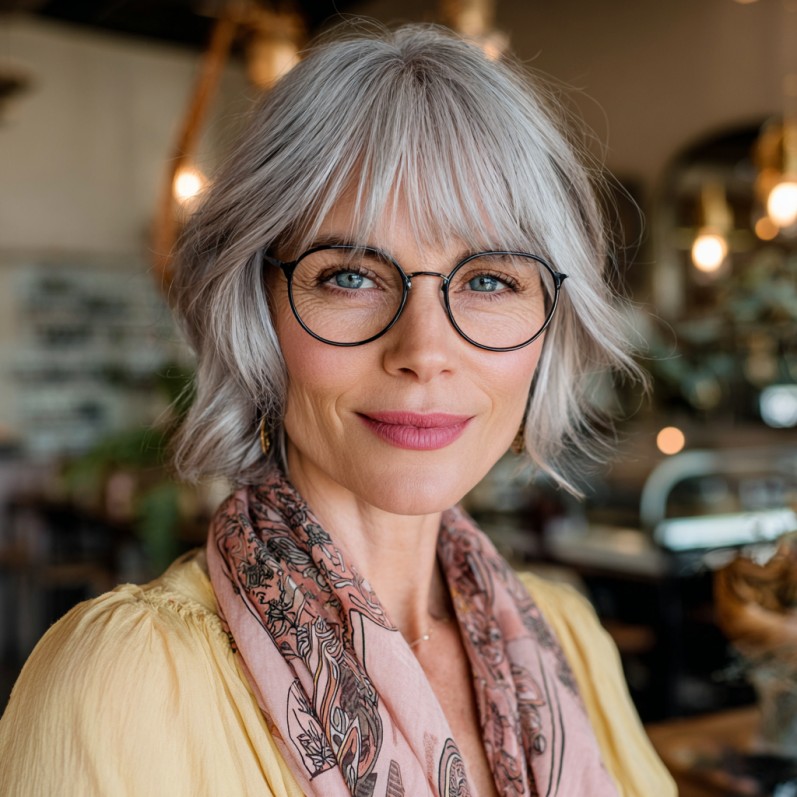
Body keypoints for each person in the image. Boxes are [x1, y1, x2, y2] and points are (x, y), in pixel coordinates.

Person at [0, 22, 675, 796]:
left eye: (489, 278)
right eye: (350, 275)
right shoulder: (123, 683)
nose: (424, 349)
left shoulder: (568, 637)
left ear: (550, 322)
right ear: (255, 308)